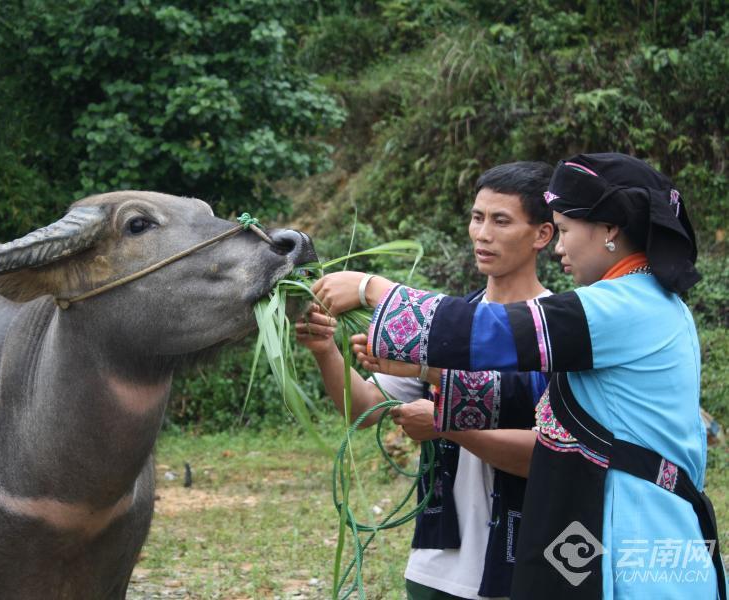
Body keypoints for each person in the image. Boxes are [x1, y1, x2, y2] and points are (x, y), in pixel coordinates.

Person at [315, 153, 726, 600]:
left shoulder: (622, 305)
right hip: (619, 531)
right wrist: (423, 370)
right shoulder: (642, 301)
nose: (561, 248)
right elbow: (534, 398)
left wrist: (370, 289)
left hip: (635, 536)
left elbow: (489, 331)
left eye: (565, 230)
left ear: (610, 230)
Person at [297, 162, 555, 600]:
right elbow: (366, 411)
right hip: (437, 564)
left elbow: (546, 456)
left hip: (523, 562)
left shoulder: (558, 331)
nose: (482, 233)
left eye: (501, 220)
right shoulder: (439, 327)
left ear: (543, 235)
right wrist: (326, 351)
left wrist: (445, 422)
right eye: (477, 217)